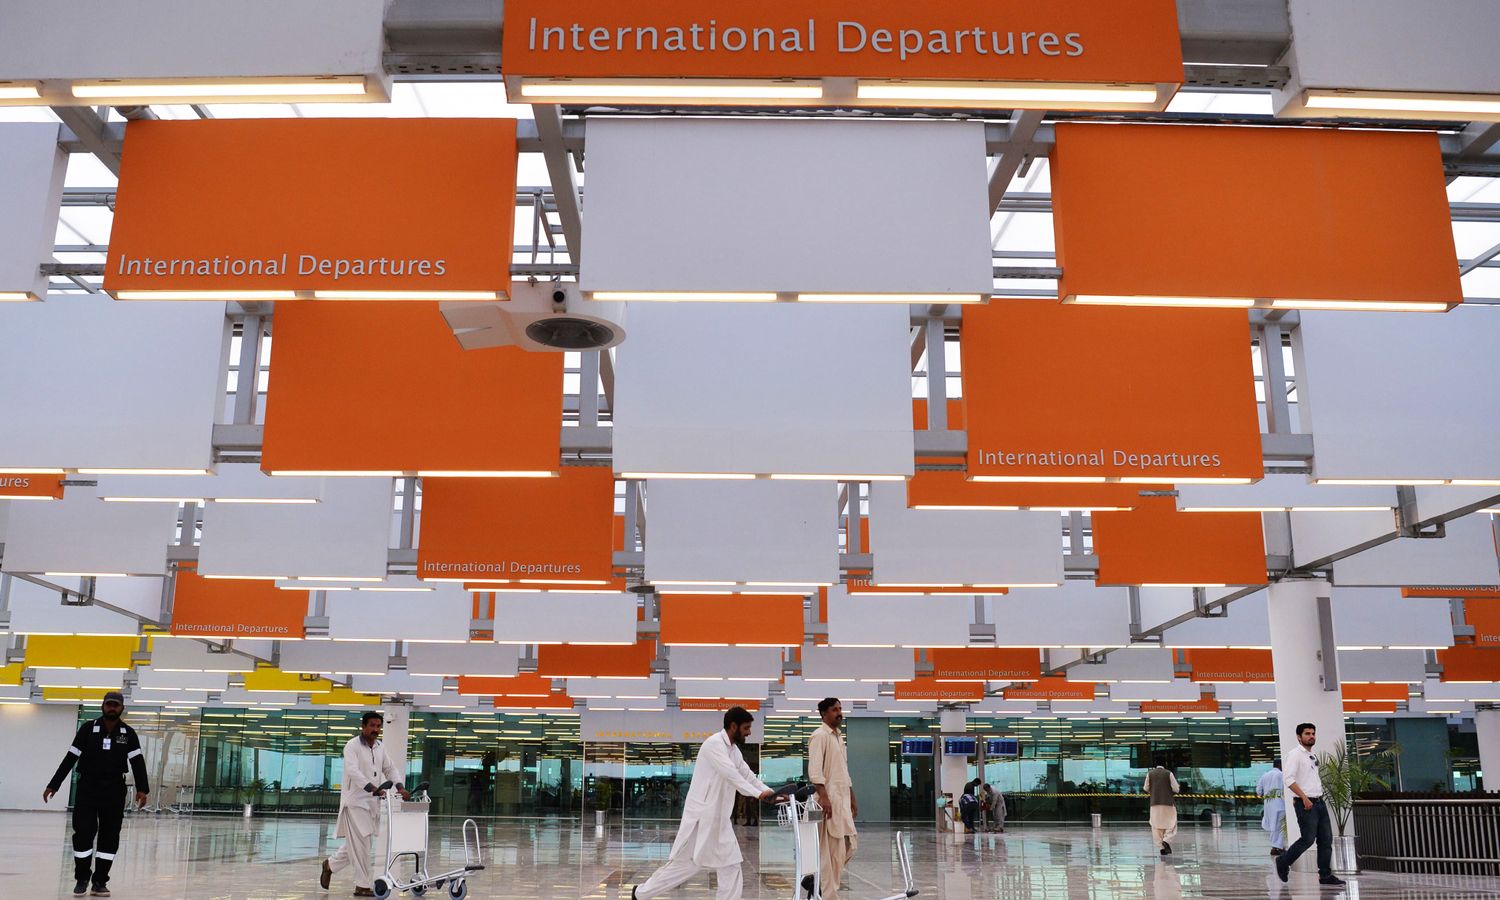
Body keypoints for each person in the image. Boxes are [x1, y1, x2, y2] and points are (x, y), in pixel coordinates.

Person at [632, 707, 775, 900]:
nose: (749, 732)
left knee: (730, 864)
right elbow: (731, 775)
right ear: (733, 726)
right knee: (687, 865)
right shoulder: (714, 744)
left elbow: (748, 776)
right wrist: (758, 794)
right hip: (702, 819)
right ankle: (640, 893)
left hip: (720, 820)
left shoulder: (734, 751)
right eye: (746, 728)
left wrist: (771, 793)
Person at [43, 690, 150, 897]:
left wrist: (142, 789)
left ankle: (100, 881)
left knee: (110, 836)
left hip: (114, 790)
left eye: (116, 705)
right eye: (109, 704)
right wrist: (54, 784)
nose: (112, 708)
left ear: (122, 708)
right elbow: (70, 758)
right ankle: (82, 878)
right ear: (103, 706)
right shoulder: (87, 729)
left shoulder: (128, 733)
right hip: (88, 789)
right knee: (83, 832)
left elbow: (137, 762)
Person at [321, 711, 408, 897]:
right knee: (362, 844)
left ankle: (330, 865)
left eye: (378, 726)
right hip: (354, 802)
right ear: (363, 726)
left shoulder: (380, 747)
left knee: (360, 843)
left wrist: (400, 787)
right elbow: (352, 771)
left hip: (371, 803)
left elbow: (390, 768)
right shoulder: (352, 746)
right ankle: (361, 885)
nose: (375, 729)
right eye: (372, 726)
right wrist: (372, 788)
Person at [1277, 723, 1345, 886]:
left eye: (1313, 733)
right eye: (1307, 733)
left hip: (1319, 802)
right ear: (1299, 737)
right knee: (1308, 839)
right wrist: (1304, 798)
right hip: (1305, 803)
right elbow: (1288, 779)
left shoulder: (1312, 755)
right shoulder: (1295, 755)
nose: (1311, 736)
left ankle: (1325, 875)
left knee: (1325, 840)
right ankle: (1283, 861)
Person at [807, 698, 857, 900]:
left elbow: (843, 771)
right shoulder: (819, 736)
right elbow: (815, 771)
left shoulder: (838, 737)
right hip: (828, 803)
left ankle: (816, 882)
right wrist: (825, 798)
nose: (839, 712)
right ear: (824, 714)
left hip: (842, 801)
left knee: (850, 845)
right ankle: (827, 894)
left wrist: (852, 798)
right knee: (831, 854)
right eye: (835, 709)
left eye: (840, 709)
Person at [1143, 760, 1179, 856]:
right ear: (1165, 764)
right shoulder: (1169, 773)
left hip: (1154, 804)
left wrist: (1153, 791)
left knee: (1156, 825)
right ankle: (1166, 840)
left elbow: (1145, 788)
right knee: (1172, 823)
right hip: (1168, 803)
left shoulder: (1150, 774)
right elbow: (1176, 789)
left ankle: (1161, 847)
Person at [1257, 759, 1286, 857]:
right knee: (1280, 826)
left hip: (1268, 804)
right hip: (1280, 804)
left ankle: (1275, 847)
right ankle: (1278, 848)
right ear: (1280, 765)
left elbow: (1259, 791)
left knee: (1273, 826)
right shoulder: (1281, 775)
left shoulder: (1265, 775)